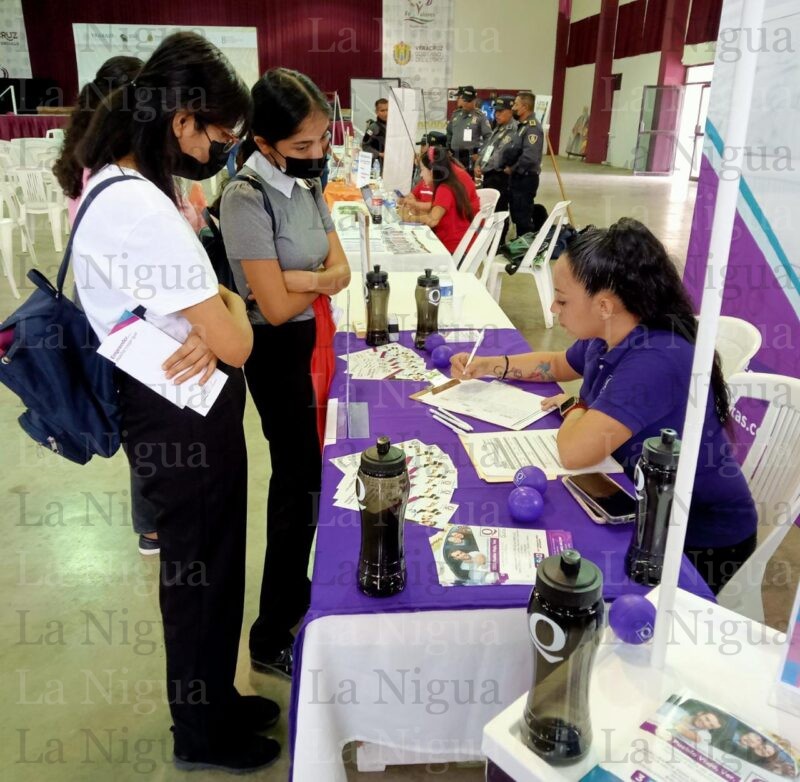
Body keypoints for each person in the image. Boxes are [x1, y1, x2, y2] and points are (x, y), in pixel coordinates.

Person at [72, 32, 281, 772]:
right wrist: (225, 312)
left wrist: (213, 309)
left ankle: (215, 700)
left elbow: (211, 302)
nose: (219, 151)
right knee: (200, 576)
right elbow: (238, 343)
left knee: (215, 566)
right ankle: (200, 732)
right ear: (181, 120)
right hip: (178, 415)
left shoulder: (122, 184)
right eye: (217, 138)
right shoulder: (140, 208)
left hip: (179, 405)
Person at [451, 219, 758, 593]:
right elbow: (557, 364)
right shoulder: (609, 332)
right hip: (634, 495)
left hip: (696, 539)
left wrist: (574, 405)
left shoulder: (656, 360)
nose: (553, 307)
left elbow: (575, 451)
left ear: (604, 305)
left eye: (563, 300)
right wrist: (491, 365)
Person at [219, 67, 351, 680]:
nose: (317, 151)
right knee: (296, 481)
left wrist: (302, 278)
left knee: (315, 474)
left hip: (314, 335)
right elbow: (270, 308)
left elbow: (341, 269)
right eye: (302, 144)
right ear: (264, 142)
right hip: (274, 353)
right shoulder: (245, 197)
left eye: (322, 138)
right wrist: (311, 282)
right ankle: (271, 630)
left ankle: (299, 594)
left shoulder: (309, 182)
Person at [53, 57, 165, 559]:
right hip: (126, 306)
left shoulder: (88, 159)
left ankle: (151, 521)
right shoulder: (116, 173)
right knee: (142, 411)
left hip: (105, 297)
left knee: (133, 409)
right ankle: (152, 523)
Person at [398, 146, 480, 254]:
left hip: (456, 249)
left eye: (422, 170)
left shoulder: (445, 189)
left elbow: (432, 220)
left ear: (432, 171)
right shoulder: (450, 183)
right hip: (458, 245)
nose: (421, 175)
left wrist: (408, 218)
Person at [503, 91, 544, 237]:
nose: (513, 107)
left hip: (525, 178)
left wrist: (512, 169)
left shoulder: (532, 128)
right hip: (518, 178)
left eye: (516, 104)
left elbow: (530, 157)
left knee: (523, 218)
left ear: (524, 107)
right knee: (517, 214)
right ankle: (520, 243)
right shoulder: (522, 126)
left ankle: (525, 247)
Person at [474, 95, 518, 229]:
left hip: (500, 176)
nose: (496, 114)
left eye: (500, 111)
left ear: (510, 111)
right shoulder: (499, 127)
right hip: (489, 174)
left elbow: (499, 155)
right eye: (496, 111)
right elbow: (487, 148)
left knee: (499, 211)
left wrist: (483, 167)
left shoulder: (513, 129)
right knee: (490, 209)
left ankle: (499, 238)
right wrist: (478, 163)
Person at [446, 86, 491, 173]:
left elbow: (489, 138)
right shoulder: (455, 115)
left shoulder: (480, 116)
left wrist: (480, 155)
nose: (465, 103)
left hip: (470, 156)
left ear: (473, 100)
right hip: (454, 155)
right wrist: (447, 148)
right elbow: (449, 133)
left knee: (467, 179)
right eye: (464, 100)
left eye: (468, 101)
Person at [361, 97, 388, 171]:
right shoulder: (372, 128)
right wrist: (379, 154)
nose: (386, 113)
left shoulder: (394, 126)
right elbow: (365, 146)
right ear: (376, 112)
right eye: (382, 110)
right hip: (378, 166)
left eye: (387, 110)